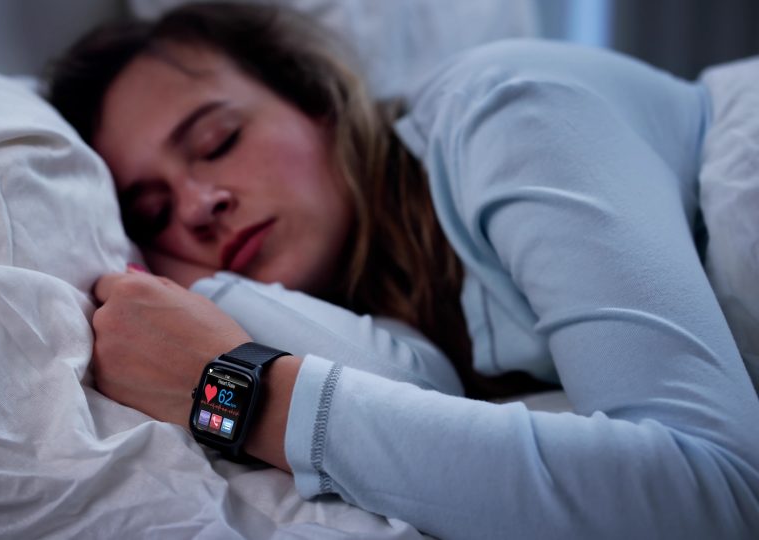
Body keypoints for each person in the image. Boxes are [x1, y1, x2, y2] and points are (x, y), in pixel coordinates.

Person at [47, 3, 759, 538]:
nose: (200, 205)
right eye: (153, 210)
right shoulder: (402, 326)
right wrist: (208, 293)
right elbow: (420, 397)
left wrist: (236, 390)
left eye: (219, 140)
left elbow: (716, 492)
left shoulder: (502, 110)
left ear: (317, 102)